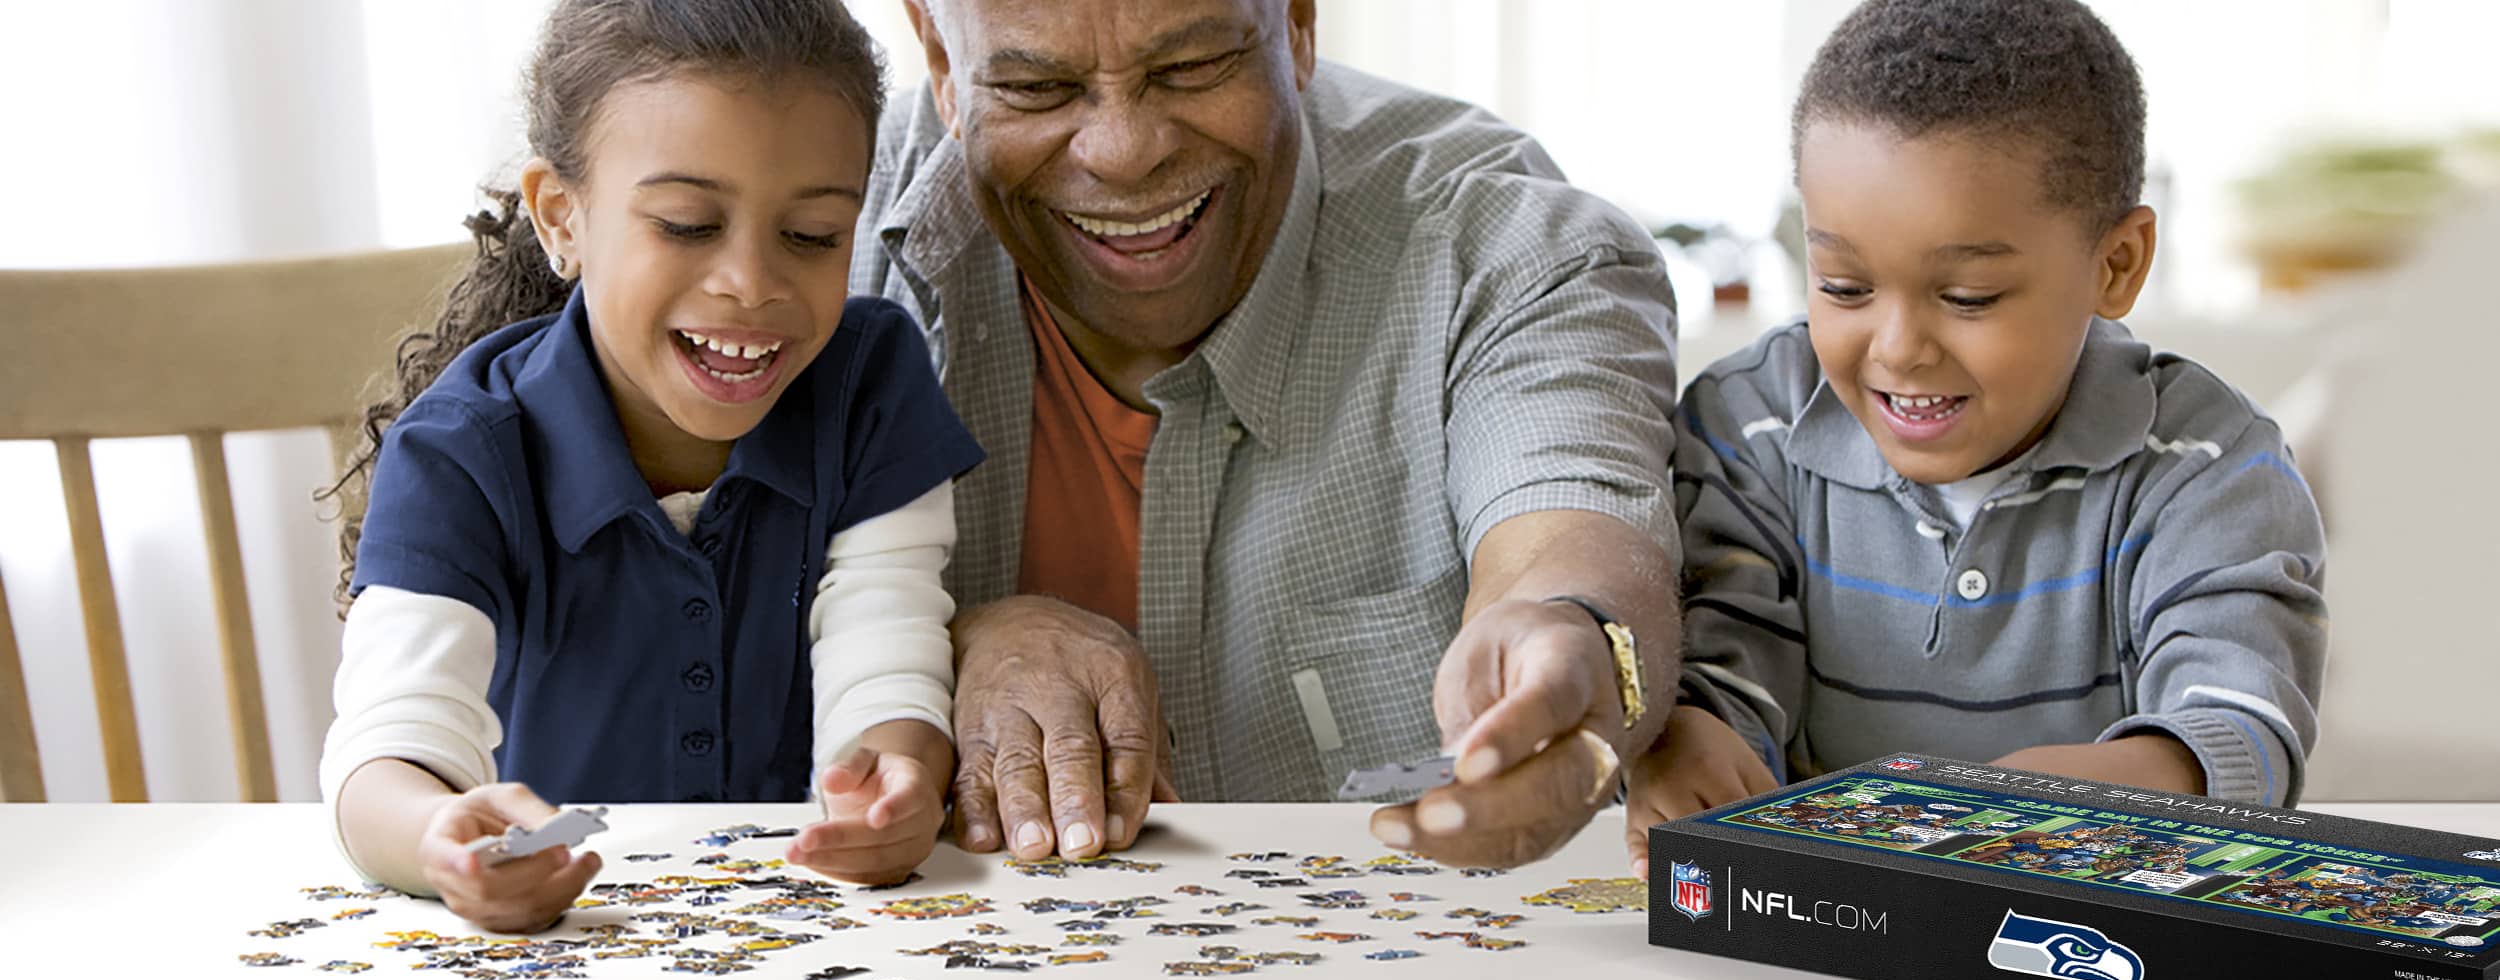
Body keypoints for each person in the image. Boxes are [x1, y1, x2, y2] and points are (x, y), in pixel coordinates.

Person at [859, 0, 1682, 869]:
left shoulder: (1503, 244)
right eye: (1035, 86)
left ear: (1296, 22)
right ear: (941, 61)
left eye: (1191, 67)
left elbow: (1568, 534)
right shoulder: (796, 224)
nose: (1124, 151)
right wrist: (937, 642)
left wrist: (1576, 642)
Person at [315, 0, 982, 932]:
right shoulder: (460, 451)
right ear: (562, 217)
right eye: (685, 223)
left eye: (814, 235)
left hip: (814, 929)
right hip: (565, 938)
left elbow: (886, 648)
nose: (751, 281)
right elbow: (386, 750)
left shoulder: (871, 385)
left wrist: (895, 777)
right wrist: (438, 836)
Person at [1625, 0, 2327, 872]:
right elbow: (1726, 647)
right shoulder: (1749, 423)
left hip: (2084, 915)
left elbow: (2239, 714)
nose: (1898, 349)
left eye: (1968, 299)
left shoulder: (2207, 464)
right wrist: (1687, 733)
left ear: (2116, 265)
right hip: (1820, 914)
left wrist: (2128, 779)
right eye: (1843, 286)